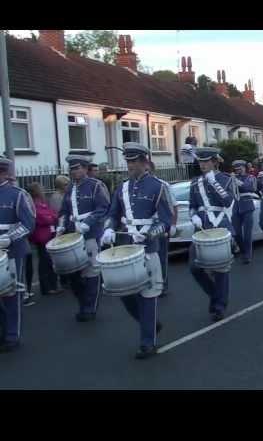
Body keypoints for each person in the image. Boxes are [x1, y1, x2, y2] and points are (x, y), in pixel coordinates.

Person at [100, 143, 172, 359]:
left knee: (148, 295)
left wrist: (150, 233)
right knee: (124, 293)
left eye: (133, 161)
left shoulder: (159, 186)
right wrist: (108, 229)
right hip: (127, 248)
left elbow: (166, 221)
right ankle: (149, 324)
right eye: (128, 161)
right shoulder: (121, 187)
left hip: (148, 248)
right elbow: (112, 214)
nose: (129, 165)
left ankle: (147, 343)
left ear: (144, 162)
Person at [56, 154, 111, 321]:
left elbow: (103, 207)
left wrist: (88, 223)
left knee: (91, 271)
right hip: (73, 234)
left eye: (77, 168)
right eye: (72, 169)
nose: (74, 172)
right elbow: (65, 211)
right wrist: (60, 226)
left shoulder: (95, 185)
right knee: (72, 273)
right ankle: (83, 302)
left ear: (85, 168)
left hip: (91, 234)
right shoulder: (71, 188)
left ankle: (90, 308)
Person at [189, 146, 235, 322]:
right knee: (194, 267)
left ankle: (219, 307)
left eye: (206, 161)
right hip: (202, 227)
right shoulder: (195, 182)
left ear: (215, 162)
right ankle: (216, 295)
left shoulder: (225, 179)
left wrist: (214, 182)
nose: (202, 164)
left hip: (220, 224)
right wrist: (193, 216)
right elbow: (193, 205)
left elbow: (227, 200)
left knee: (220, 268)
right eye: (200, 161)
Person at [0, 157, 36, 353]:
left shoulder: (17, 195)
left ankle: (12, 335)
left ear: (4, 173)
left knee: (11, 293)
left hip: (12, 251)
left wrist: (9, 238)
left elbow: (28, 223)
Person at [147, 161, 178, 298]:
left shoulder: (163, 185)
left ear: (152, 171)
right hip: (144, 227)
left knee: (160, 256)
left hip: (160, 225)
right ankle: (149, 283)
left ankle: (162, 285)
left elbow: (174, 206)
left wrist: (173, 225)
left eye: (148, 170)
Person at [27, 182, 60, 298]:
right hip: (42, 236)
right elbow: (45, 218)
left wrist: (52, 217)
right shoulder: (34, 204)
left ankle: (52, 285)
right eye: (41, 188)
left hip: (48, 234)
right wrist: (52, 217)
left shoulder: (42, 202)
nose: (43, 189)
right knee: (45, 262)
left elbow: (53, 215)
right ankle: (47, 287)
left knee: (49, 260)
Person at [231, 160, 258, 265]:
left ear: (244, 167)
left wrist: (239, 183)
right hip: (236, 206)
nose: (238, 170)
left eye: (240, 168)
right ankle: (243, 250)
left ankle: (248, 255)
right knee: (236, 232)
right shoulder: (233, 178)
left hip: (247, 205)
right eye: (236, 169)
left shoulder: (250, 177)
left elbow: (251, 188)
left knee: (247, 234)